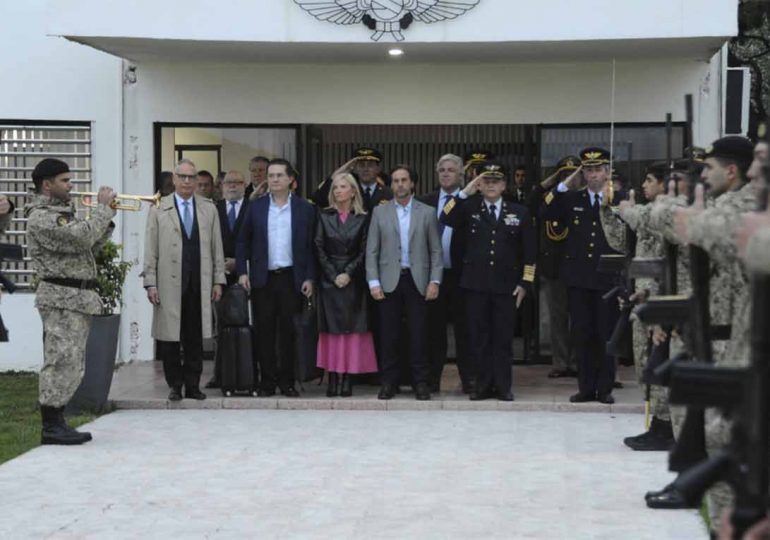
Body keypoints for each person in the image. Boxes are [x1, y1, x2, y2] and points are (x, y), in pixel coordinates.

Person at [25, 158, 116, 444]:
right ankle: (51, 426)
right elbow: (80, 239)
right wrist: (101, 210)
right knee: (60, 360)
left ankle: (58, 420)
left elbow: (89, 246)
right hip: (61, 298)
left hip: (75, 298)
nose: (70, 185)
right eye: (64, 180)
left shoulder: (63, 212)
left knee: (72, 363)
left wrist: (107, 219)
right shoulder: (41, 216)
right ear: (47, 184)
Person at [441, 161, 536, 401]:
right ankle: (482, 386)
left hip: (507, 287)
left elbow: (530, 253)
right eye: (487, 181)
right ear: (480, 184)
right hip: (476, 286)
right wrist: (465, 191)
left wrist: (525, 284)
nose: (491, 185)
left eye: (496, 181)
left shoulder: (519, 212)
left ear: (504, 185)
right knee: (479, 338)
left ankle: (504, 386)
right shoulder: (469, 208)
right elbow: (445, 216)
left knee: (503, 340)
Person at [599, 162, 673, 450]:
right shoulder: (647, 216)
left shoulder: (663, 218)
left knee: (659, 367)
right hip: (641, 301)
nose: (644, 186)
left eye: (650, 180)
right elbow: (621, 241)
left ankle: (665, 427)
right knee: (645, 366)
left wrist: (649, 293)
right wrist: (606, 210)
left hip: (658, 303)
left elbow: (669, 267)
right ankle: (659, 423)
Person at [541, 147, 621, 404]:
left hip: (608, 280)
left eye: (598, 169)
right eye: (588, 170)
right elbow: (543, 211)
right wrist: (564, 184)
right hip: (579, 279)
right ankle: (586, 387)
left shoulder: (618, 200)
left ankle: (605, 387)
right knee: (582, 334)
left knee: (605, 335)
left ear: (607, 172)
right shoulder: (571, 199)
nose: (593, 175)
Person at [143, 158, 226, 402]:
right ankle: (174, 385)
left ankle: (193, 385)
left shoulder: (209, 208)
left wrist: (218, 280)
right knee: (170, 338)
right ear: (175, 179)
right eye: (183, 177)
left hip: (198, 284)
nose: (188, 182)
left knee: (194, 338)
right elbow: (151, 249)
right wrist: (151, 282)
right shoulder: (159, 208)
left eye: (192, 177)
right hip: (169, 285)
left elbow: (216, 248)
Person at [237, 158, 316, 397]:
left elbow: (312, 246)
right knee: (265, 332)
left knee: (289, 333)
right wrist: (242, 272)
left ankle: (287, 381)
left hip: (292, 278)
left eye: (279, 175)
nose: (274, 179)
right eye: (270, 176)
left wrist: (310, 277)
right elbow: (243, 241)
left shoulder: (305, 208)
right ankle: (267, 382)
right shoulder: (256, 207)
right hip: (263, 278)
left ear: (291, 179)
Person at [366, 164, 442, 400]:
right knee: (389, 334)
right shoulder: (380, 213)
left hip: (417, 280)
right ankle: (389, 382)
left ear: (412, 184)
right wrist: (373, 282)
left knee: (419, 334)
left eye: (404, 180)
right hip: (389, 281)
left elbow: (436, 251)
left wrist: (435, 281)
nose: (400, 184)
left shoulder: (427, 212)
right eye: (396, 181)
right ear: (391, 185)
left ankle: (420, 382)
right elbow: (372, 251)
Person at [314, 173, 377, 397]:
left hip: (353, 281)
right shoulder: (324, 216)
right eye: (335, 188)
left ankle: (348, 378)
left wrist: (348, 273)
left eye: (342, 187)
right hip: (329, 281)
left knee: (351, 331)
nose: (337, 191)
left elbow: (365, 250)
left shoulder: (363, 218)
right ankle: (332, 378)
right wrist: (334, 275)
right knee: (331, 330)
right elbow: (318, 247)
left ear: (353, 191)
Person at [417, 153, 472, 393]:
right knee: (433, 331)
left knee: (465, 331)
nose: (446, 174)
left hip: (462, 276)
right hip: (433, 277)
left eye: (451, 170)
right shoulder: (425, 201)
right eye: (442, 170)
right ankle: (431, 380)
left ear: (461, 174)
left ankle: (469, 379)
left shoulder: (471, 201)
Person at [533, 156, 580, 378]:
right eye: (563, 174)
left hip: (579, 269)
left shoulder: (584, 198)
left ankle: (579, 362)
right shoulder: (551, 199)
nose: (569, 178)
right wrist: (550, 183)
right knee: (558, 319)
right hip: (555, 269)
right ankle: (561, 362)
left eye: (573, 173)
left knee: (580, 319)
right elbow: (534, 206)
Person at [205, 170, 250, 389]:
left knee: (249, 325)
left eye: (237, 182)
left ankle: (249, 372)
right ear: (221, 186)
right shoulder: (213, 209)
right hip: (219, 277)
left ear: (245, 185)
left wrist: (240, 263)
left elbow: (257, 241)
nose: (232, 186)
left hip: (247, 276)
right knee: (219, 327)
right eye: (228, 183)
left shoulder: (253, 208)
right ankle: (219, 374)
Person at [313, 147, 392, 212]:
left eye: (370, 165)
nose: (365, 169)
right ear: (355, 169)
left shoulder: (389, 192)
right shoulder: (349, 191)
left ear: (378, 169)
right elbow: (319, 199)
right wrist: (344, 169)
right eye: (361, 165)